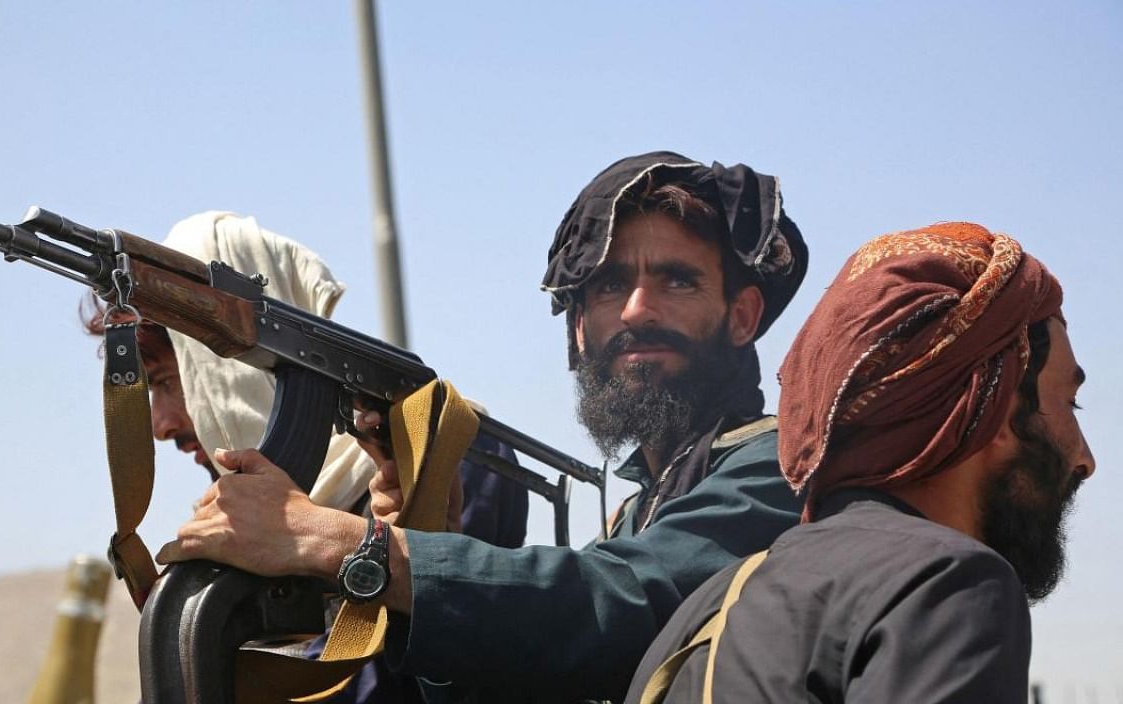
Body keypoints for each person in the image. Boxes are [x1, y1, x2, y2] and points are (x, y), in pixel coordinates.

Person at [157, 152, 810, 701]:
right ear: (579, 330)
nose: (638, 309)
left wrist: (347, 544)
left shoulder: (779, 468)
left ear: (742, 316)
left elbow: (624, 597)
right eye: (609, 286)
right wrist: (426, 543)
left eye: (677, 280)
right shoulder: (644, 508)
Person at [623, 222, 1095, 703]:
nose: (1085, 459)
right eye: (1069, 404)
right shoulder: (946, 583)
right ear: (996, 406)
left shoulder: (703, 610)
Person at [83, 211, 528, 702]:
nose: (161, 424)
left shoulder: (450, 460)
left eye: (171, 382)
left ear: (227, 371)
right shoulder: (251, 534)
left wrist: (324, 541)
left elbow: (406, 678)